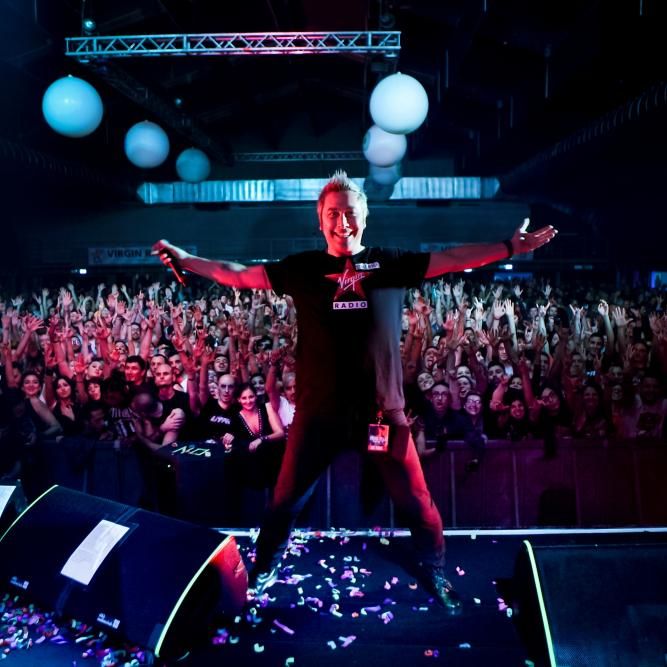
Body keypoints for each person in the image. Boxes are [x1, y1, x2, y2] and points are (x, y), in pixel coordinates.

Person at [153, 170, 556, 609]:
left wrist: (509, 248)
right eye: (332, 213)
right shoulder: (303, 268)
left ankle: (434, 568)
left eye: (349, 212)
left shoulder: (390, 262)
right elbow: (236, 274)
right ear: (319, 220)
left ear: (365, 216)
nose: (341, 221)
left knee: (416, 500)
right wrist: (187, 259)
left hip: (380, 412)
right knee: (285, 501)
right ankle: (265, 567)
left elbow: (453, 258)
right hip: (318, 414)